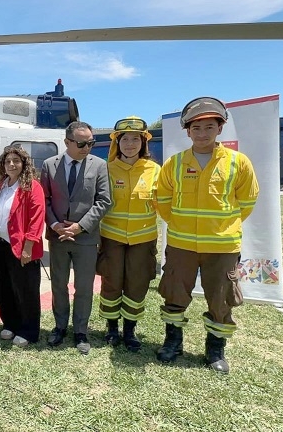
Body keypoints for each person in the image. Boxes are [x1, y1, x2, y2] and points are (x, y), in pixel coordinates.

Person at [156, 97, 259, 374]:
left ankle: (215, 351)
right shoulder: (175, 163)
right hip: (181, 244)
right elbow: (162, 198)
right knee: (174, 293)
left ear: (220, 128)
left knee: (222, 298)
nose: (202, 133)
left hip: (222, 246)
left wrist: (223, 227)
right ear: (187, 131)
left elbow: (248, 201)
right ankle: (172, 343)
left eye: (209, 127)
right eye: (196, 128)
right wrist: (178, 223)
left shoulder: (238, 162)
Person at [41, 121, 111, 354]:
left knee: (84, 287)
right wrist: (54, 224)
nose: (87, 147)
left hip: (86, 238)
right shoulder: (50, 165)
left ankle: (81, 331)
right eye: (81, 143)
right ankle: (60, 327)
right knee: (58, 285)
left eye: (91, 143)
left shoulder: (100, 165)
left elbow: (104, 201)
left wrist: (81, 226)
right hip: (58, 237)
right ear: (67, 142)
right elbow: (46, 200)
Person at [96, 117, 160, 352]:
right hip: (112, 238)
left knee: (137, 284)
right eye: (125, 139)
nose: (130, 144)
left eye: (136, 139)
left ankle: (130, 330)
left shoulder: (155, 170)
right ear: (117, 142)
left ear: (143, 143)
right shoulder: (106, 169)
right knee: (111, 282)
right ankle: (112, 328)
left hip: (143, 239)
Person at [0, 145, 46, 348]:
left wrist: (28, 246)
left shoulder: (32, 186)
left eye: (16, 161)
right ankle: (11, 323)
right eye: (7, 161)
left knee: (26, 290)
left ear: (24, 164)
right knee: (4, 287)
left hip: (23, 246)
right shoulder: (0, 185)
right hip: (1, 244)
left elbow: (37, 219)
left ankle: (28, 330)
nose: (11, 164)